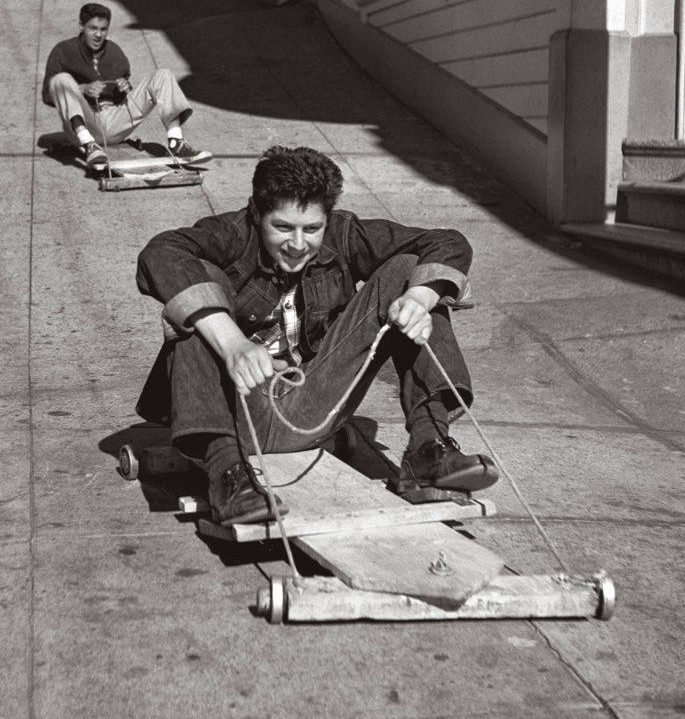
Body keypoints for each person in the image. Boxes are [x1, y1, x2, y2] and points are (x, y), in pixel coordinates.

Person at [134, 145, 499, 526]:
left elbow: (448, 242)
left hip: (313, 403)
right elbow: (159, 254)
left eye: (311, 228)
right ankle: (228, 477)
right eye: (282, 227)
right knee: (196, 287)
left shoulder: (342, 234)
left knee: (414, 271)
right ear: (257, 214)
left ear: (327, 218)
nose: (297, 244)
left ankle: (428, 448)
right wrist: (233, 343)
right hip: (235, 413)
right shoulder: (231, 234)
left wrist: (418, 299)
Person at [42, 2, 212, 173]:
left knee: (163, 75)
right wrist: (83, 89)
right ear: (81, 26)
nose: (98, 35)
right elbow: (48, 94)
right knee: (60, 79)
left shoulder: (115, 52)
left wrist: (124, 87)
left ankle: (176, 141)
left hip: (116, 122)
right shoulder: (63, 51)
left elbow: (122, 93)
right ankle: (89, 145)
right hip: (86, 121)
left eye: (103, 29)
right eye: (92, 28)